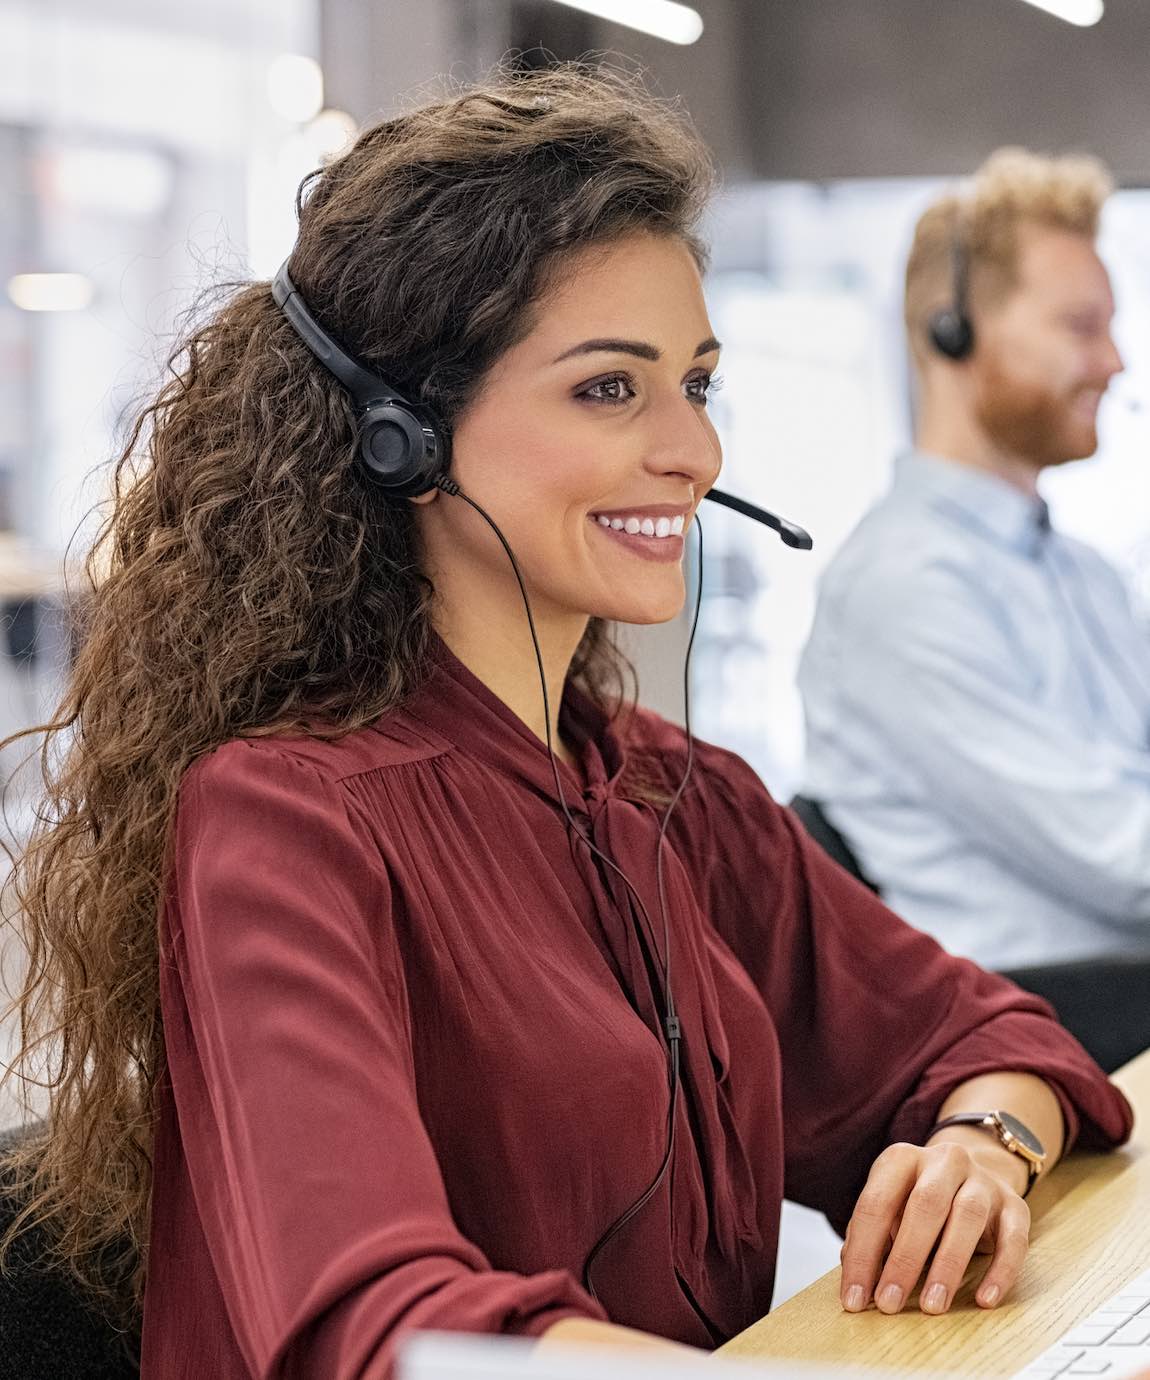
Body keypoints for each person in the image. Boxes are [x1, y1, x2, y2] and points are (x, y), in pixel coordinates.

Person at [0, 73, 1131, 1379]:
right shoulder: (281, 822)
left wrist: (979, 1149)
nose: (692, 453)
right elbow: (378, 1335)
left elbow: (992, 1038)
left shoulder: (671, 795)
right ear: (403, 436)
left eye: (695, 385)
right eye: (609, 390)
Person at [799, 149, 1150, 993]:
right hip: (1039, 1015)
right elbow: (1121, 856)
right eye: (1079, 325)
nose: (1114, 362)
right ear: (951, 332)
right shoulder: (905, 589)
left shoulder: (1082, 576)